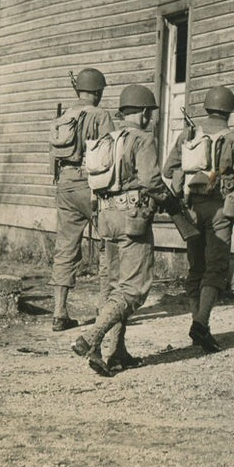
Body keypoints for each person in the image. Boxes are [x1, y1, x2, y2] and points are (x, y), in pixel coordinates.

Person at [70, 84, 170, 378]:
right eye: (149, 113)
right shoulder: (142, 139)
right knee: (134, 289)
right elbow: (152, 181)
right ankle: (93, 338)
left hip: (106, 218)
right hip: (132, 219)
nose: (151, 118)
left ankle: (116, 352)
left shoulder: (107, 138)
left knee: (111, 286)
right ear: (141, 113)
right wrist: (167, 198)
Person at [162, 85, 234, 353]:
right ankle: (201, 323)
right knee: (216, 268)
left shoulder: (188, 135)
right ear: (230, 110)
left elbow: (169, 169)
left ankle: (198, 324)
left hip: (190, 209)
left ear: (207, 107)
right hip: (219, 211)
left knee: (196, 268)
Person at [47, 67, 113, 331]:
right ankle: (104, 308)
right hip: (93, 185)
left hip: (65, 183)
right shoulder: (100, 115)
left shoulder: (64, 117)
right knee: (107, 244)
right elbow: (111, 154)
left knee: (65, 247)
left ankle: (59, 312)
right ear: (97, 92)